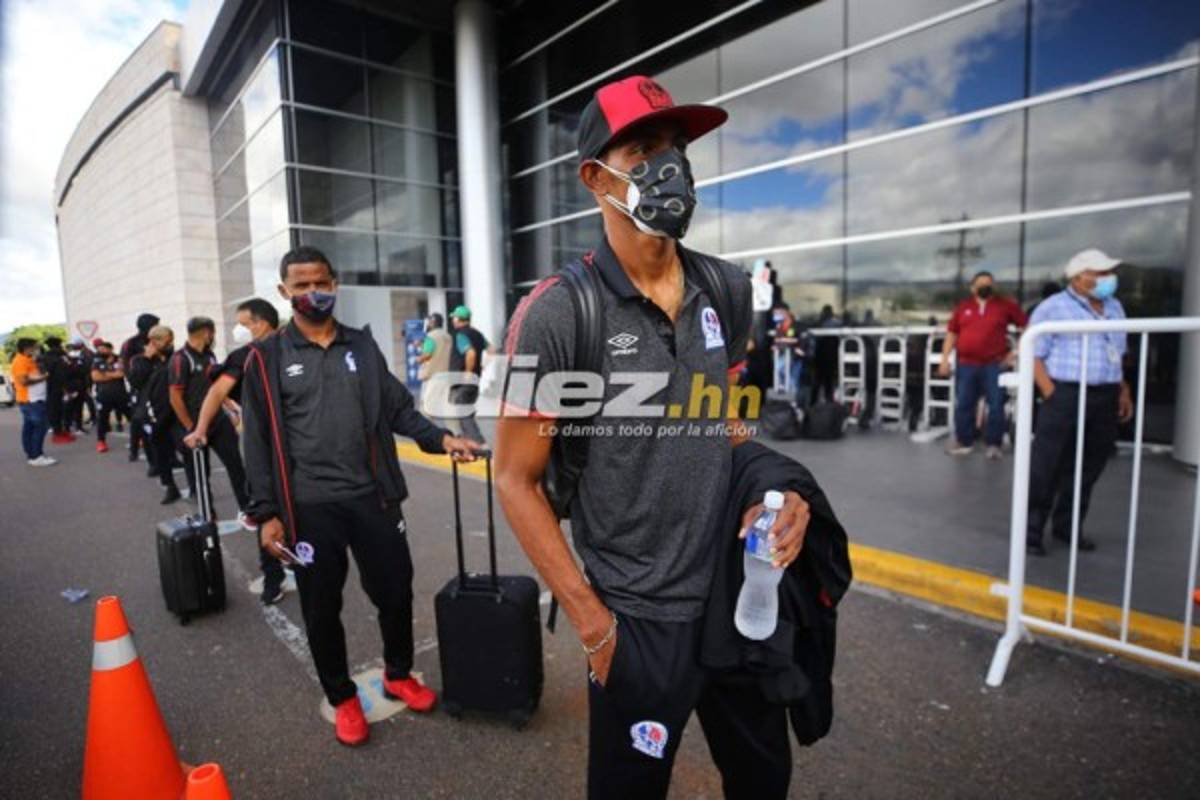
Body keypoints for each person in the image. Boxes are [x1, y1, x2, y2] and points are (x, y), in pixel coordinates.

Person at [494, 75, 811, 799]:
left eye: (678, 148)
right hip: (636, 617)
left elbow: (727, 420)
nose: (670, 167)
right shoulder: (558, 314)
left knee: (763, 781)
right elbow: (515, 478)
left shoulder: (727, 290)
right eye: (643, 149)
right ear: (594, 177)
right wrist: (593, 625)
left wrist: (777, 490)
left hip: (738, 593)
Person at [242, 246, 483, 746]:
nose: (313, 293)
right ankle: (342, 696)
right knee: (320, 606)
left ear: (335, 283)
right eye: (301, 286)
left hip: (373, 498)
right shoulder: (265, 359)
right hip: (310, 508)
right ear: (284, 293)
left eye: (321, 283)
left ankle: (398, 673)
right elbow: (257, 442)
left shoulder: (362, 347)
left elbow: (399, 409)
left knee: (395, 591)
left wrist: (442, 438)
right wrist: (266, 513)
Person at [1025, 249, 1133, 556]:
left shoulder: (1115, 307)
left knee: (1089, 466)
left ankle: (1068, 527)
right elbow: (1032, 352)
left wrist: (1122, 390)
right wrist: (1050, 392)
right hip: (1065, 392)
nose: (1106, 279)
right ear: (1077, 277)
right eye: (1098, 273)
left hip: (1105, 394)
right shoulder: (1053, 308)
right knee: (1048, 465)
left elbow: (1117, 353)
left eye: (1108, 273)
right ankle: (1031, 532)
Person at [183, 298, 286, 604]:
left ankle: (298, 565)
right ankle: (273, 576)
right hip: (263, 446)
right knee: (266, 508)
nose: (239, 331)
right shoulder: (247, 355)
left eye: (243, 324)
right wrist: (200, 429)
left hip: (300, 445)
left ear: (261, 323)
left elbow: (217, 392)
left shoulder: (295, 348)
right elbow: (217, 392)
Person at [168, 316, 252, 522]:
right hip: (195, 425)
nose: (213, 337)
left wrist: (231, 408)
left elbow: (216, 389)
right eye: (212, 333)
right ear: (207, 332)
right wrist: (191, 427)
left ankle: (247, 508)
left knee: (236, 465)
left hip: (219, 423)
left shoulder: (210, 356)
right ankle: (208, 513)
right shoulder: (180, 359)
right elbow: (175, 397)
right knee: (200, 473)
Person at [939, 270, 1027, 459]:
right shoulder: (963, 308)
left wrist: (1014, 353)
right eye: (981, 283)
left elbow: (1027, 328)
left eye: (989, 283)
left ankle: (994, 444)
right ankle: (964, 441)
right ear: (973, 288)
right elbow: (951, 334)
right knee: (964, 403)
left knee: (996, 405)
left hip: (994, 364)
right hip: (966, 364)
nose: (985, 286)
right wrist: (944, 360)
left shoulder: (1005, 306)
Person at [130, 325, 183, 503]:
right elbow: (136, 382)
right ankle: (169, 486)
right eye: (167, 341)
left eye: (171, 341)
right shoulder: (140, 360)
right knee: (160, 452)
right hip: (154, 414)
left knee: (186, 449)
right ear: (154, 341)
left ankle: (196, 486)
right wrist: (147, 358)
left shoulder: (174, 358)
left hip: (175, 411)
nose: (170, 344)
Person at [121, 313, 160, 463]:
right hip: (140, 388)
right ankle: (136, 451)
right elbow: (126, 367)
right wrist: (134, 382)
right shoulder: (130, 344)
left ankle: (169, 457)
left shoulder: (156, 341)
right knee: (139, 421)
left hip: (158, 387)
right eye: (155, 325)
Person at [447, 305, 489, 443]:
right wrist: (481, 366)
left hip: (463, 380)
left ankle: (477, 441)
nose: (453, 320)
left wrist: (468, 372)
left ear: (459, 319)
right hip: (475, 380)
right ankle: (470, 440)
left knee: (462, 411)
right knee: (467, 410)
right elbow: (492, 350)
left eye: (454, 317)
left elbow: (470, 353)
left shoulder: (460, 335)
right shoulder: (478, 334)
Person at [12, 338, 55, 467]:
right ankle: (36, 456)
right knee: (40, 428)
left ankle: (32, 454)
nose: (36, 350)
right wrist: (43, 378)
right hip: (31, 401)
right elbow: (23, 381)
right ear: (27, 348)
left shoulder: (28, 359)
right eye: (34, 347)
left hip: (33, 400)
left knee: (30, 428)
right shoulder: (20, 361)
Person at [90, 341, 130, 454]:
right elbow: (95, 377)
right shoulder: (97, 361)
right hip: (103, 395)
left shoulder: (119, 359)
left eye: (103, 349)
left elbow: (121, 374)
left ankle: (139, 438)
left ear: (110, 349)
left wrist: (105, 374)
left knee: (132, 416)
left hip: (120, 394)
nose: (100, 351)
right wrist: (112, 375)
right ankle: (101, 442)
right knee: (102, 419)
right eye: (99, 349)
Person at [417, 312, 452, 420]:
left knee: (426, 408)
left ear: (432, 323)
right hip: (446, 375)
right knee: (446, 407)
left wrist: (418, 359)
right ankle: (455, 433)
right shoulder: (448, 336)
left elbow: (427, 354)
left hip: (432, 376)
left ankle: (427, 434)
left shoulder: (431, 336)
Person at [771, 305, 807, 407]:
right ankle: (785, 401)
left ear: (785, 312)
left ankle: (794, 405)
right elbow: (777, 340)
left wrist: (788, 341)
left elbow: (801, 339)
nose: (776, 316)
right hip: (783, 354)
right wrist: (777, 344)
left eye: (778, 313)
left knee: (793, 380)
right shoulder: (779, 326)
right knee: (780, 371)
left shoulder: (798, 325)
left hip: (795, 357)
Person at [39, 337, 73, 444]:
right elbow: (68, 369)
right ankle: (60, 431)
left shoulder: (45, 357)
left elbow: (45, 372)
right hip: (64, 385)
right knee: (63, 410)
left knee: (54, 410)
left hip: (51, 387)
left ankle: (57, 431)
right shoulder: (63, 356)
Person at [813, 304, 841, 404]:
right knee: (822, 380)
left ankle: (822, 402)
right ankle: (821, 402)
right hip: (824, 355)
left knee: (824, 380)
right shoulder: (821, 323)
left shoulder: (834, 323)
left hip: (828, 355)